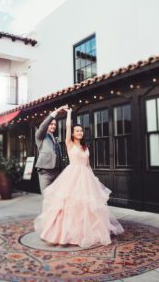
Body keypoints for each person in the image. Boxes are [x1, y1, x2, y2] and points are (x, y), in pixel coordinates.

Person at [34, 107, 124, 248]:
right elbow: (68, 127)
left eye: (81, 131)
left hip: (83, 177)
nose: (80, 132)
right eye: (77, 131)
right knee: (62, 203)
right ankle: (53, 230)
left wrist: (93, 179)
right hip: (68, 174)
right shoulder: (52, 139)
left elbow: (88, 165)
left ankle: (83, 231)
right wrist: (68, 113)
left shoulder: (84, 147)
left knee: (86, 206)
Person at [35, 105, 68, 193]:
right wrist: (56, 111)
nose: (53, 126)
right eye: (51, 124)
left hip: (57, 171)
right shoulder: (40, 135)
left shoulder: (55, 138)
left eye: (54, 125)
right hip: (46, 172)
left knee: (56, 198)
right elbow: (43, 125)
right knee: (47, 198)